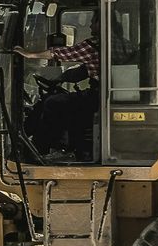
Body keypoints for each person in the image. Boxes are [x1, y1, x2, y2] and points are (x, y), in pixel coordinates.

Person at [19, 32, 100, 160]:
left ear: (100, 23)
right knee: (65, 99)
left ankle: (45, 149)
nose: (90, 26)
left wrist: (29, 54)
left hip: (97, 97)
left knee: (53, 103)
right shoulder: (120, 45)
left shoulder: (93, 45)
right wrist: (60, 78)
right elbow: (83, 71)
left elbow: (60, 54)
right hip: (106, 95)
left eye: (93, 22)